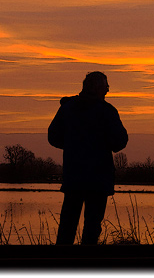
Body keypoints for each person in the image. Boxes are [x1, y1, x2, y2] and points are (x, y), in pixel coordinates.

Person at [48, 71, 128, 244]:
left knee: (67, 227)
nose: (108, 90)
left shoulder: (68, 108)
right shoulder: (107, 112)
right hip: (98, 180)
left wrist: (72, 145)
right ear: (99, 88)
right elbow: (120, 142)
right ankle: (87, 264)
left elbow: (53, 136)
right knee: (92, 229)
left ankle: (60, 265)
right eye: (106, 86)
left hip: (74, 177)